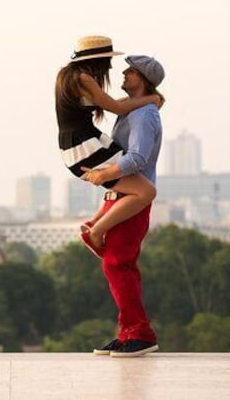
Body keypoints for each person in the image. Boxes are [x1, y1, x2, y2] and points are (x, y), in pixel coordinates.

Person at [81, 54, 165, 358]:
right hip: (120, 197)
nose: (124, 74)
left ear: (141, 78)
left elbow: (138, 159)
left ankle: (139, 333)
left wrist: (103, 174)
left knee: (118, 264)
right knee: (117, 265)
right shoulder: (134, 111)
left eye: (129, 72)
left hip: (131, 201)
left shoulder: (144, 115)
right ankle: (130, 331)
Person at [55, 36, 161, 253]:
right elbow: (117, 108)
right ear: (98, 60)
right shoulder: (84, 79)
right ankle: (95, 232)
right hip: (85, 144)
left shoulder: (69, 77)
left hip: (77, 145)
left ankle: (94, 223)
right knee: (146, 192)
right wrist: (151, 100)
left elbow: (114, 104)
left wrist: (148, 100)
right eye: (107, 61)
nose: (111, 67)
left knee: (123, 184)